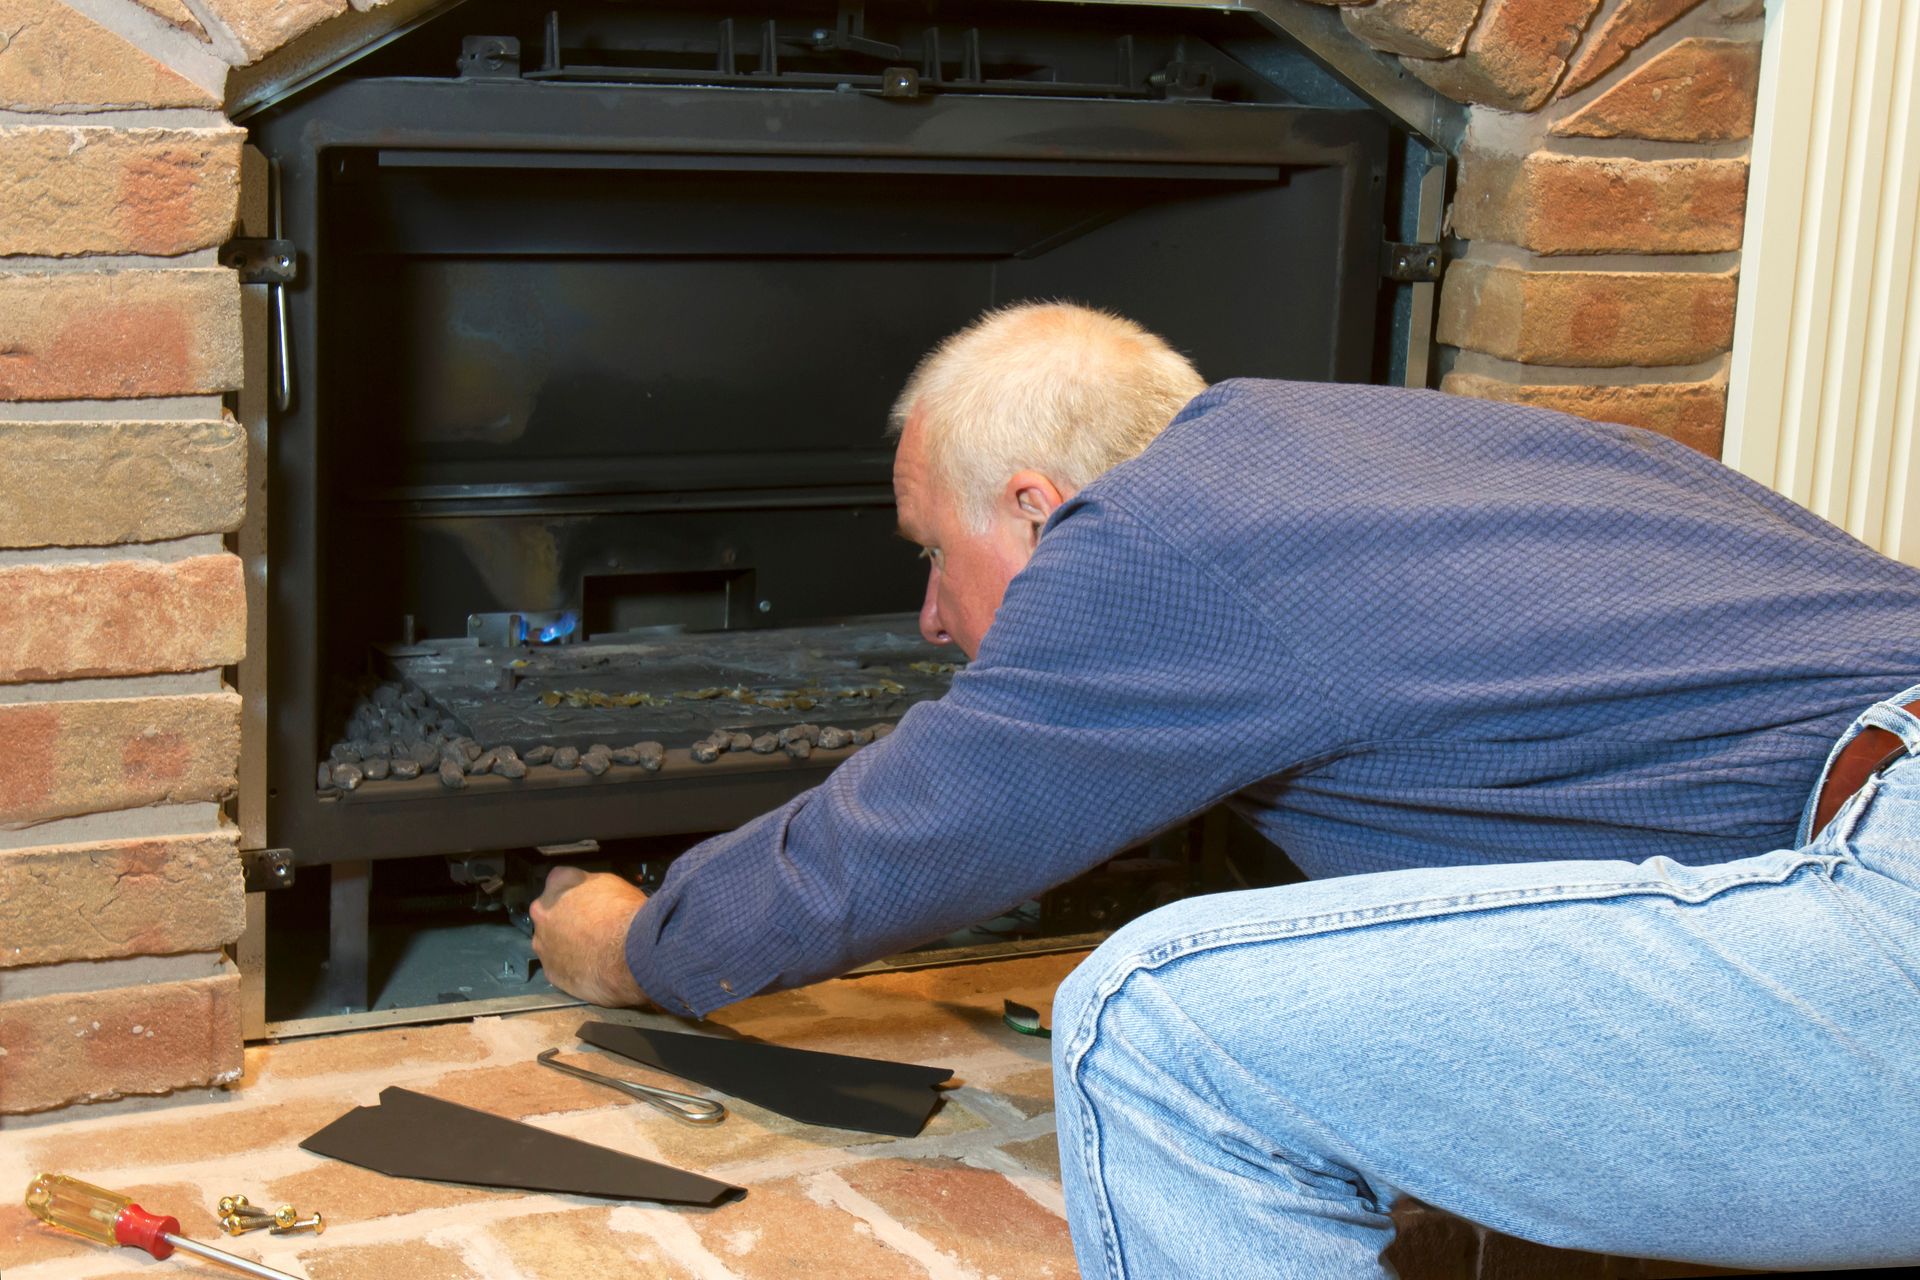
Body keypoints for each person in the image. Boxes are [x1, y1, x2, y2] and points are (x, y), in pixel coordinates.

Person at [532, 302, 1920, 1276]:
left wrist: (634, 945)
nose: (931, 622)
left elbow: (889, 844)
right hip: (1854, 829)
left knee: (1154, 1022)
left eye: (929, 552)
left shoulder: (1150, 539)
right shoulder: (1434, 447)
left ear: (1032, 504)